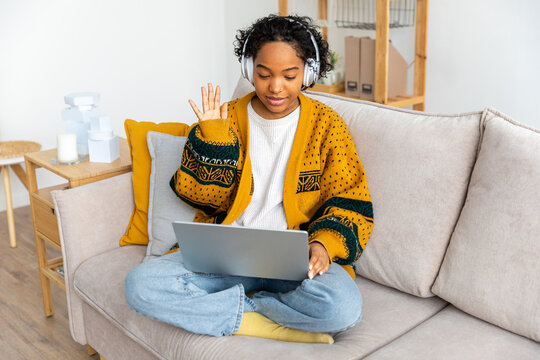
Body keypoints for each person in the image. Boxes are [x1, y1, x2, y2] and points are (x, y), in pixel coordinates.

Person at [125, 14, 374, 342]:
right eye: (263, 74)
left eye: (290, 75)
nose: (275, 87)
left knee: (343, 308)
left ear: (308, 73)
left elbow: (350, 199)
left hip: (294, 266)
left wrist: (324, 245)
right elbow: (200, 198)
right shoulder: (225, 117)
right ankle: (264, 322)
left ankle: (230, 312)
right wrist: (213, 140)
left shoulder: (328, 126)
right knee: (139, 286)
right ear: (248, 69)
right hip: (224, 259)